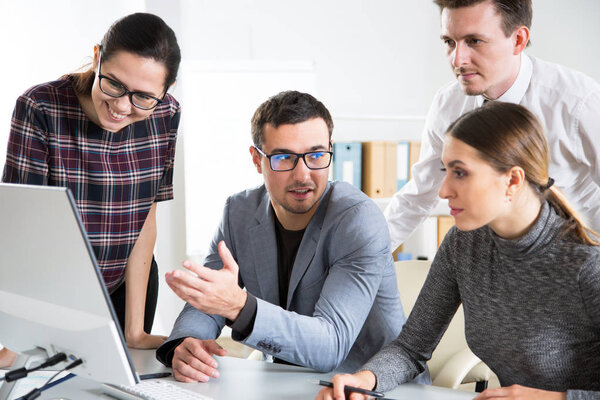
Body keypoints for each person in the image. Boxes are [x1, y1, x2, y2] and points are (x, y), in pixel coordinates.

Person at [317, 102, 600, 400]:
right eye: (446, 170)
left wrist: (553, 399)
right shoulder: (463, 244)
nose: (443, 190)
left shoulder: (585, 264)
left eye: (460, 173)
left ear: (513, 180)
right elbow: (411, 347)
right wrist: (364, 380)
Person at [156, 91, 429, 384]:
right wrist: (187, 343)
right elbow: (208, 299)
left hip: (371, 388)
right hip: (289, 384)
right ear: (256, 159)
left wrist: (238, 306)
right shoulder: (238, 213)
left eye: (316, 155)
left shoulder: (358, 220)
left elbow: (330, 345)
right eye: (284, 157)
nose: (303, 175)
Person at [2, 13, 181, 350]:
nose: (121, 106)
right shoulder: (40, 107)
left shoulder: (167, 114)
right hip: (50, 291)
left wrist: (136, 332)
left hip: (126, 288)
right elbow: (23, 232)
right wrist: (16, 341)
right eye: (112, 83)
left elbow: (145, 221)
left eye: (143, 97)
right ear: (97, 57)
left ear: (166, 89)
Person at [385, 0, 600, 251]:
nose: (458, 59)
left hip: (577, 256)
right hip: (496, 259)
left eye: (474, 41)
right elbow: (420, 194)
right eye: (449, 42)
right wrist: (361, 255)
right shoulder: (447, 104)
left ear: (518, 40)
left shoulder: (577, 101)